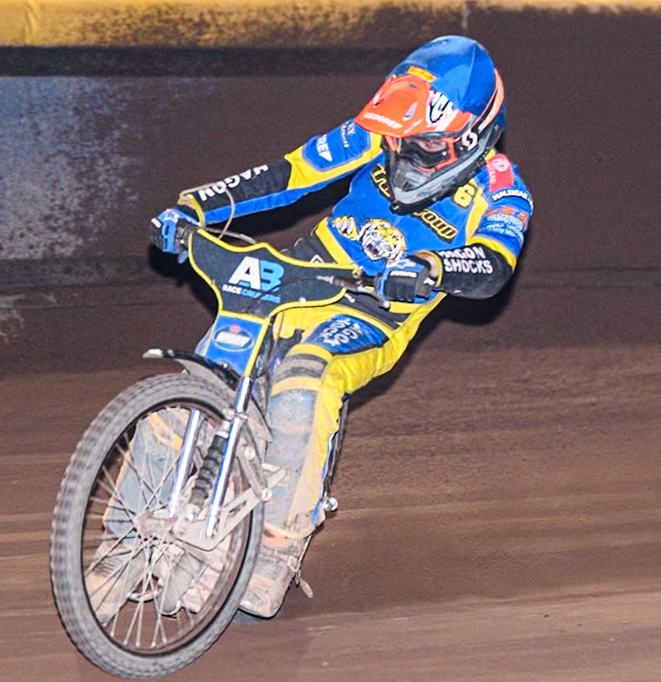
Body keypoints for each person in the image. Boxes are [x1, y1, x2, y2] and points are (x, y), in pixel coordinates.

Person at [148, 35, 532, 618]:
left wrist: (432, 265)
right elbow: (288, 173)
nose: (403, 156)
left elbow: (495, 265)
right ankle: (125, 525)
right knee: (202, 373)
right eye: (399, 140)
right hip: (302, 276)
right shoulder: (377, 132)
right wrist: (195, 206)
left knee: (305, 377)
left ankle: (276, 546)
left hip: (373, 312)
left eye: (423, 147)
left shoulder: (503, 189)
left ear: (472, 138)